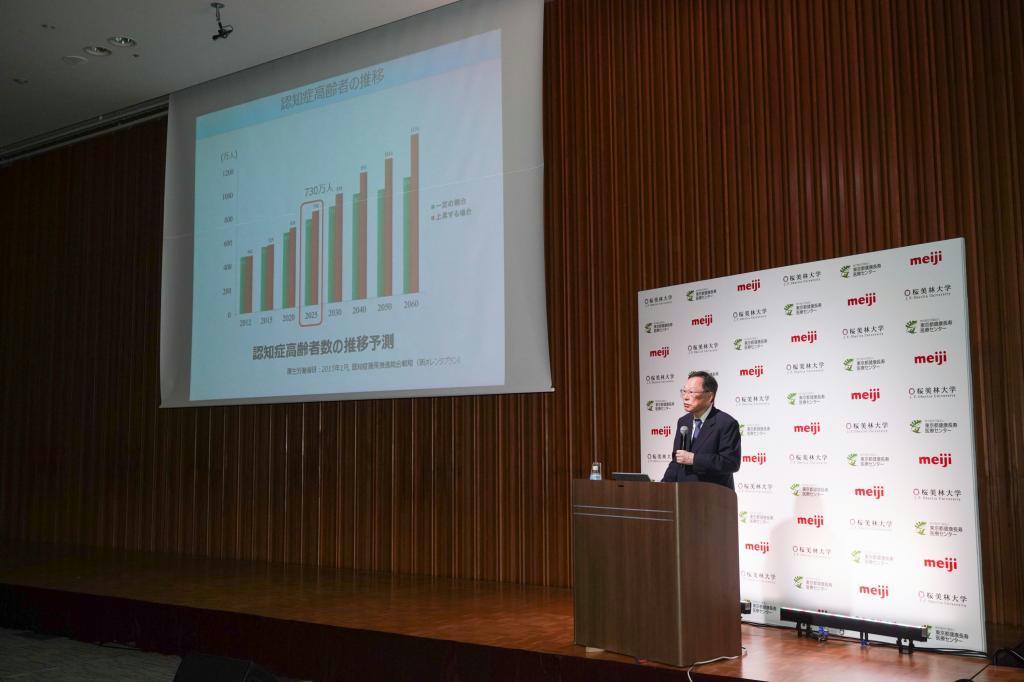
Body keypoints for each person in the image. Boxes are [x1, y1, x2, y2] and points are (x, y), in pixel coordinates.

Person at [660, 370, 741, 489]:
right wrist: (662, 487)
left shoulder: (726, 423)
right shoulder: (683, 422)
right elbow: (677, 460)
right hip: (683, 493)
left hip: (713, 494)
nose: (685, 397)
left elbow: (730, 463)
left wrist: (694, 459)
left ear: (709, 396)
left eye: (691, 392)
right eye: (684, 391)